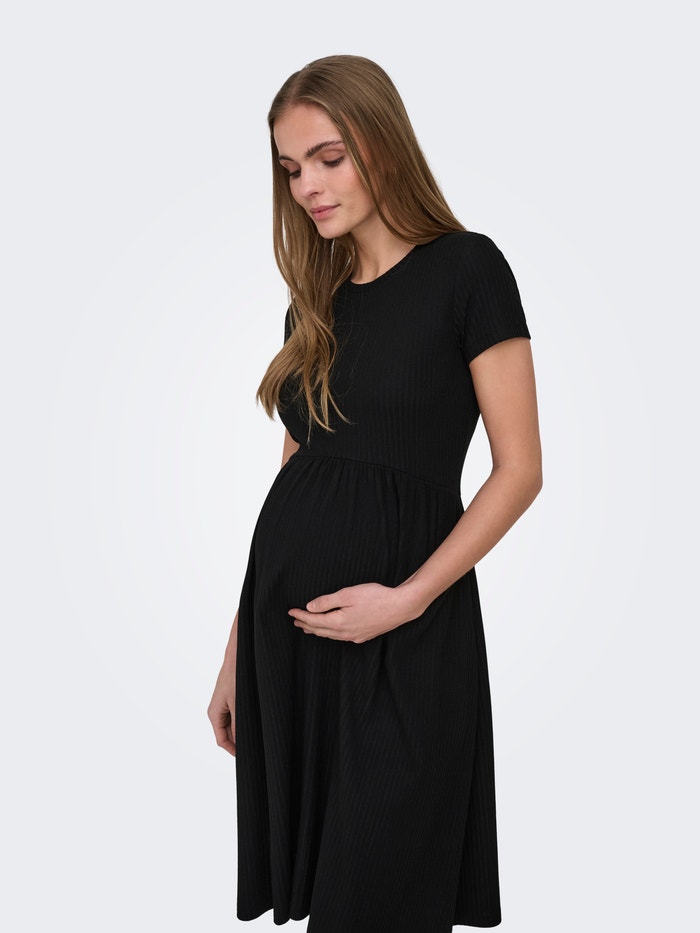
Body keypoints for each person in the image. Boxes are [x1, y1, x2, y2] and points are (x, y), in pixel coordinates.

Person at [208, 54, 542, 933]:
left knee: (385, 894)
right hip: (291, 645)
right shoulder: (313, 306)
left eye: (328, 158)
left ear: (382, 144)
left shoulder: (469, 270)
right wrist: (237, 651)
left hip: (408, 640)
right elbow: (294, 476)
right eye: (291, 169)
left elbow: (520, 470)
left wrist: (406, 600)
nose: (307, 187)